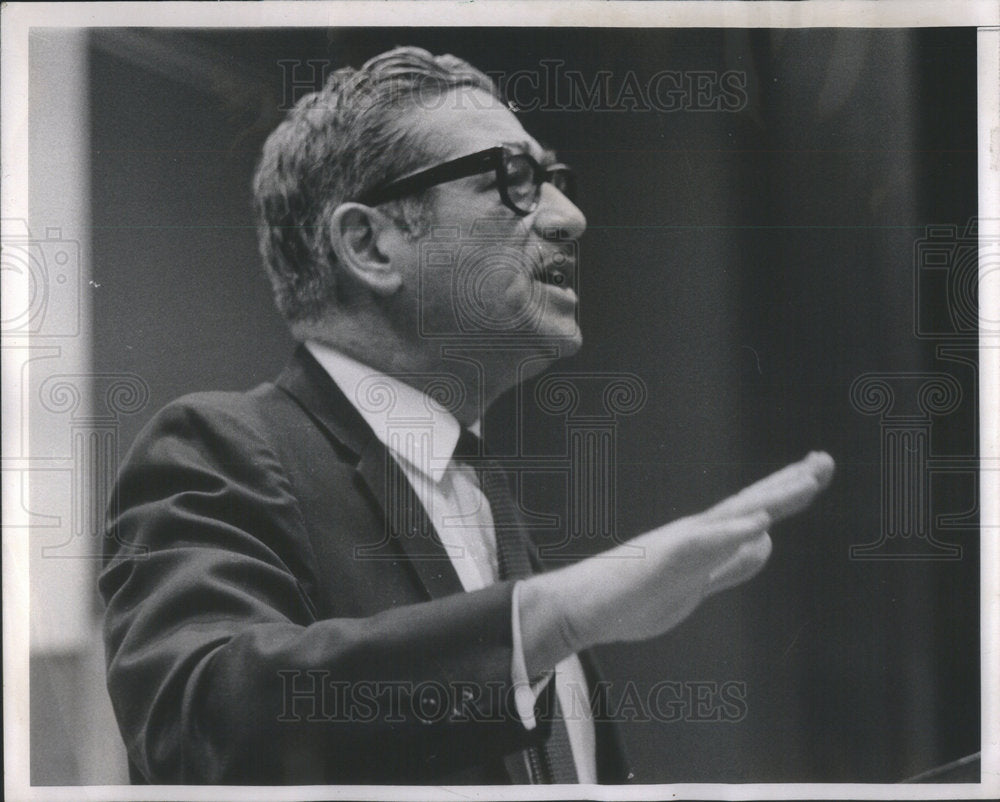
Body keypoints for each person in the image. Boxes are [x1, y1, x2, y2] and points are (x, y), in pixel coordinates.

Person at [99, 46, 834, 786]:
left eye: (553, 180)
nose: (570, 218)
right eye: (513, 181)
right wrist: (551, 617)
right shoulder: (217, 447)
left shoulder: (483, 498)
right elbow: (198, 724)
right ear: (370, 244)